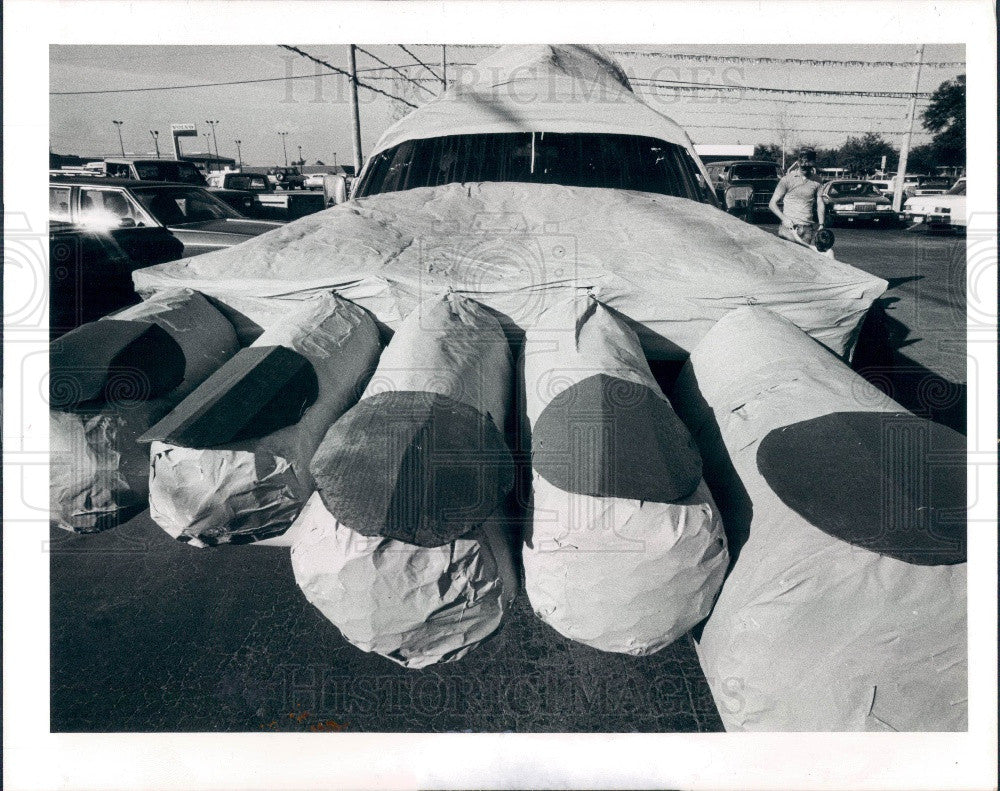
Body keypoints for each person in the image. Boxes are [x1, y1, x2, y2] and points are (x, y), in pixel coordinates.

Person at [769, 149, 826, 247]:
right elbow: (772, 204)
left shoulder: (817, 180)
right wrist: (784, 219)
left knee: (803, 260)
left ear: (812, 165)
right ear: (798, 163)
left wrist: (821, 224)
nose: (805, 169)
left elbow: (820, 202)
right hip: (789, 229)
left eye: (808, 166)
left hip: (807, 229)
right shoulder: (787, 179)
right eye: (803, 166)